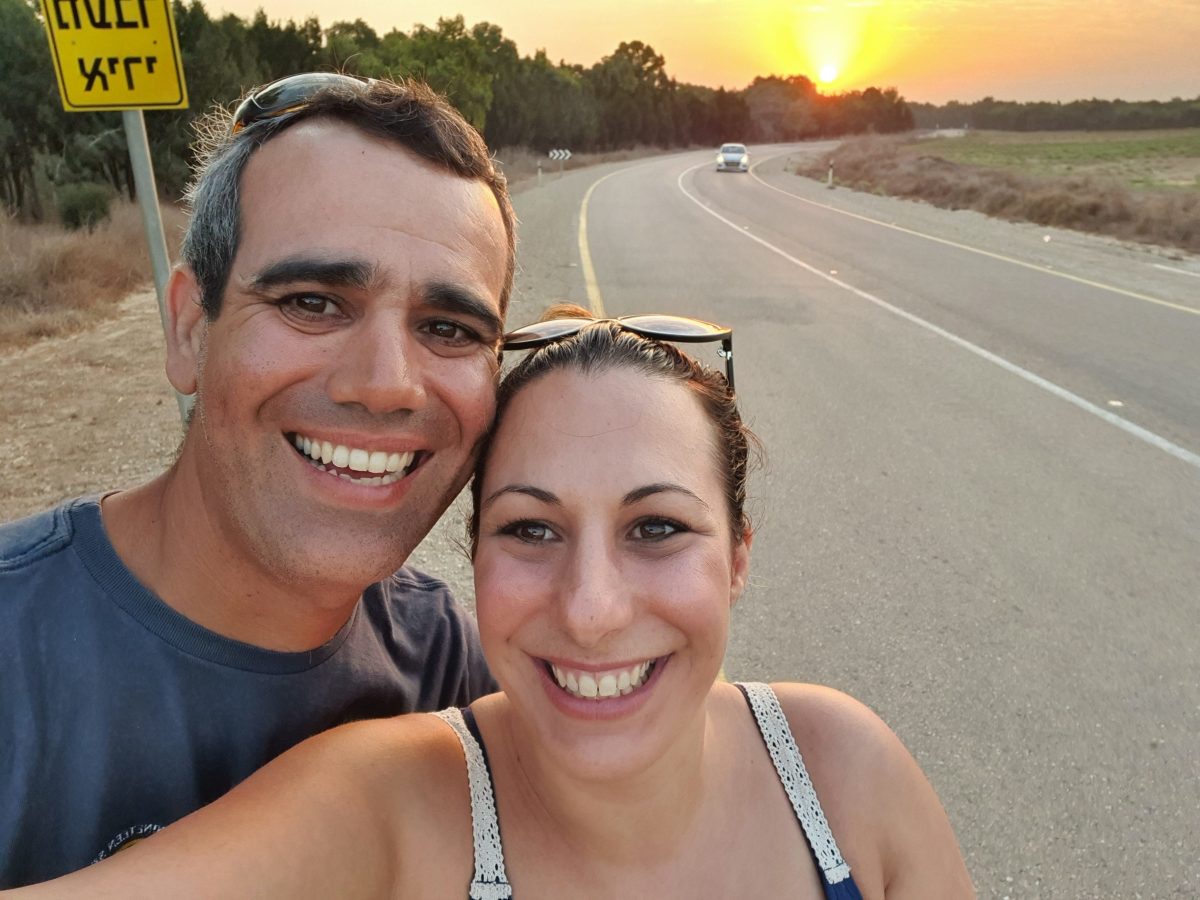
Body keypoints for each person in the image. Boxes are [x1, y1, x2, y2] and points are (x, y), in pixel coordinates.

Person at [6, 307, 975, 898]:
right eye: (532, 530)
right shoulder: (396, 803)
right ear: (474, 557)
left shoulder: (842, 775)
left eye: (657, 529)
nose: (592, 609)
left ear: (738, 559)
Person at [0, 73, 517, 886]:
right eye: (312, 302)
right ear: (188, 329)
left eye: (448, 329)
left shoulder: (444, 664)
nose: (386, 384)